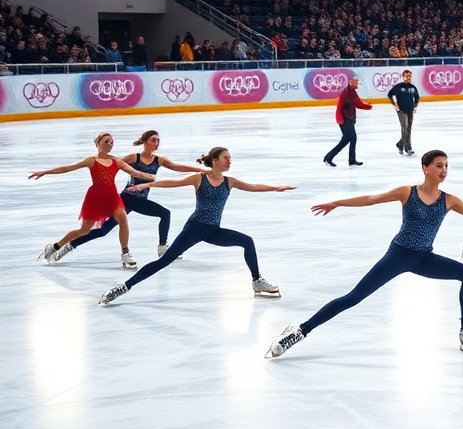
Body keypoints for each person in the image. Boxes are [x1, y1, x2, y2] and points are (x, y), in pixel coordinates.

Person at [265, 150, 463, 359]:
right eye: (438, 165)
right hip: (398, 255)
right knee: (353, 298)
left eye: (446, 166)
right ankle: (299, 331)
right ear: (425, 168)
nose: (443, 170)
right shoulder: (407, 192)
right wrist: (337, 202)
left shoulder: (449, 200)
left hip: (424, 258)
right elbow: (370, 199)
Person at [97, 147, 294, 305]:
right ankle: (123, 287)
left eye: (230, 158)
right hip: (194, 229)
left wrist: (275, 188)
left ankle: (257, 281)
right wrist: (147, 185)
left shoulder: (230, 182)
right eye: (226, 157)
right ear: (215, 160)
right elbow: (172, 183)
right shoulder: (200, 178)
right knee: (163, 262)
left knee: (247, 241)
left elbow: (254, 186)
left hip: (213, 230)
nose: (229, 161)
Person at [49, 130, 208, 263]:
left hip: (140, 200)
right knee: (164, 213)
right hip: (127, 198)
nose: (157, 143)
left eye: (158, 140)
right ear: (145, 141)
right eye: (154, 140)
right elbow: (114, 163)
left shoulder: (159, 160)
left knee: (104, 231)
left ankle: (71, 245)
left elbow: (177, 167)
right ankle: (162, 248)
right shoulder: (134, 157)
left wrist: (199, 170)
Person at [32, 132, 158, 269]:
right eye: (106, 142)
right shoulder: (91, 160)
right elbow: (68, 168)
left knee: (123, 219)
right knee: (84, 230)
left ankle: (125, 254)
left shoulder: (116, 161)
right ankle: (56, 246)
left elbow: (135, 172)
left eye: (111, 142)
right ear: (98, 143)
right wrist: (45, 172)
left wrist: (150, 176)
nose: (109, 144)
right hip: (96, 198)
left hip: (112, 197)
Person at [323, 76, 372, 167]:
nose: (356, 84)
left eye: (357, 82)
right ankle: (350, 160)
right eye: (355, 82)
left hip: (348, 119)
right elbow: (356, 103)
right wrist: (367, 106)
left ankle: (329, 157)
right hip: (344, 119)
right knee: (352, 138)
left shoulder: (352, 92)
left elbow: (357, 103)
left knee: (346, 140)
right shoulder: (346, 93)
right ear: (350, 83)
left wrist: (366, 106)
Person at [387, 69, 420, 156]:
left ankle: (401, 145)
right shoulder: (399, 86)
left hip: (410, 110)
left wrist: (415, 106)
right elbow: (389, 94)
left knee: (409, 129)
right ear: (403, 77)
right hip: (401, 110)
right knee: (404, 128)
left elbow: (417, 98)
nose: (408, 78)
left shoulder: (413, 87)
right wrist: (394, 104)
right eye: (407, 76)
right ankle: (407, 147)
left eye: (410, 76)